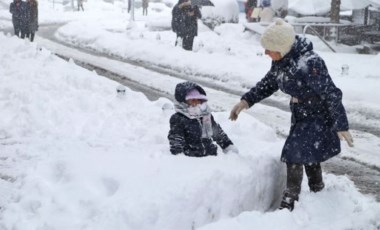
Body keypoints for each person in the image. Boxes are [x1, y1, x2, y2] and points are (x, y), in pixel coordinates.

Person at [229, 19, 354, 211]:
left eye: (269, 48)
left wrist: (341, 124)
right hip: (300, 114)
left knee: (294, 152)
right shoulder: (281, 61)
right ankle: (318, 191)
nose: (266, 52)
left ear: (282, 47)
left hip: (317, 115)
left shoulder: (310, 63)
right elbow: (269, 83)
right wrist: (246, 101)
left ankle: (290, 201)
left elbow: (331, 93)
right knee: (309, 153)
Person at [168, 81, 238, 157]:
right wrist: (180, 158)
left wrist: (227, 146)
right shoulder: (178, 119)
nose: (196, 103)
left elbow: (217, 132)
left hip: (212, 156)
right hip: (193, 159)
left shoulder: (205, 115)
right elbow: (176, 142)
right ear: (183, 102)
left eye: (198, 100)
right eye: (192, 100)